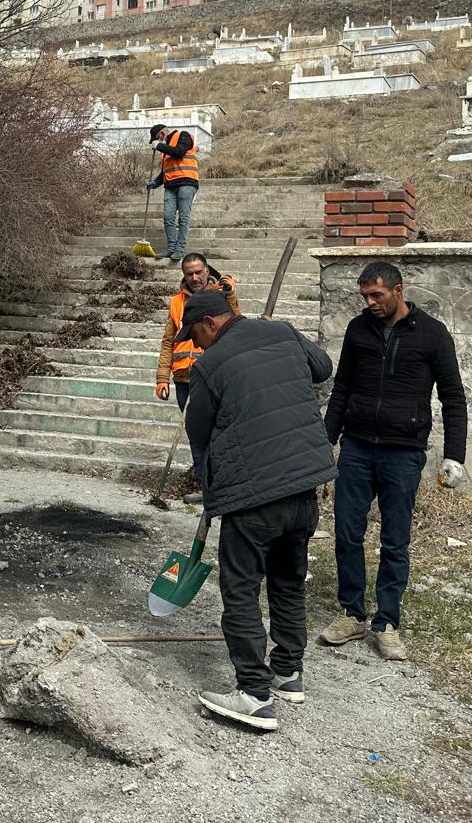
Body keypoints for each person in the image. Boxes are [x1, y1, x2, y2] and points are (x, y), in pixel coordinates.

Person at [178, 289, 336, 732]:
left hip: (253, 494)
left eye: (194, 335)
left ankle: (253, 694)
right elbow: (323, 367)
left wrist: (211, 486)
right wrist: (287, 337)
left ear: (209, 323)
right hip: (303, 486)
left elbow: (199, 431)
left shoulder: (210, 365)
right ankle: (288, 673)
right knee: (288, 580)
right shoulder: (282, 332)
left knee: (241, 588)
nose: (195, 344)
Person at [320, 260, 468, 662]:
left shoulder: (433, 335)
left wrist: (454, 455)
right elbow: (342, 388)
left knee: (395, 539)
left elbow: (453, 397)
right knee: (346, 532)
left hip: (403, 452)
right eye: (364, 295)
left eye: (377, 295)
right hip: (356, 447)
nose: (370, 302)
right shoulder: (358, 329)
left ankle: (386, 622)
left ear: (398, 291)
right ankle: (352, 613)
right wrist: (324, 442)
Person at [154, 254, 239, 484]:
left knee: (219, 430)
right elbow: (168, 341)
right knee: (195, 432)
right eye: (189, 273)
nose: (194, 278)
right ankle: (203, 483)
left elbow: (236, 326)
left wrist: (231, 296)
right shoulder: (176, 302)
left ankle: (222, 481)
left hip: (213, 376)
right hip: (184, 379)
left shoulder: (220, 295)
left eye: (198, 272)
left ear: (207, 270)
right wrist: (162, 378)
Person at [145, 124, 199, 260]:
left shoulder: (183, 136)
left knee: (183, 218)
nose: (159, 141)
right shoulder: (165, 151)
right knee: (168, 217)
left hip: (187, 183)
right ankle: (171, 249)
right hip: (170, 186)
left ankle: (179, 250)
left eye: (158, 138)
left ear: (162, 133)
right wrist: (155, 183)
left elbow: (179, 152)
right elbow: (166, 171)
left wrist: (159, 146)